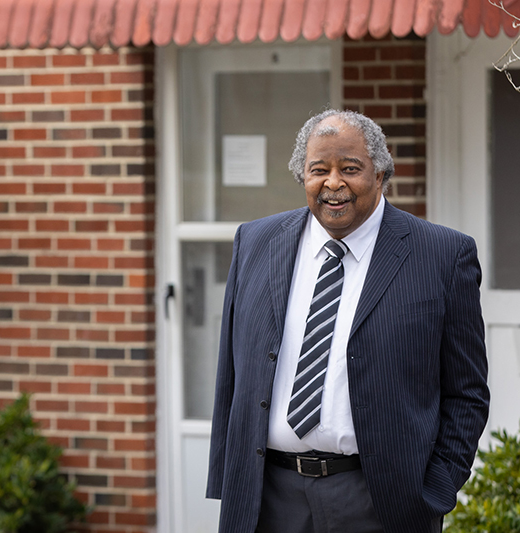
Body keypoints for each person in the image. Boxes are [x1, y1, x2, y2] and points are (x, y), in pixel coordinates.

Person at [206, 109, 489, 533]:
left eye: (350, 169)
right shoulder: (255, 242)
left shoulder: (443, 256)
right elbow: (231, 372)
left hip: (380, 501)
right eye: (318, 169)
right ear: (302, 176)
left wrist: (437, 488)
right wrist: (227, 478)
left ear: (380, 174)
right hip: (268, 498)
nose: (333, 183)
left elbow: (466, 393)